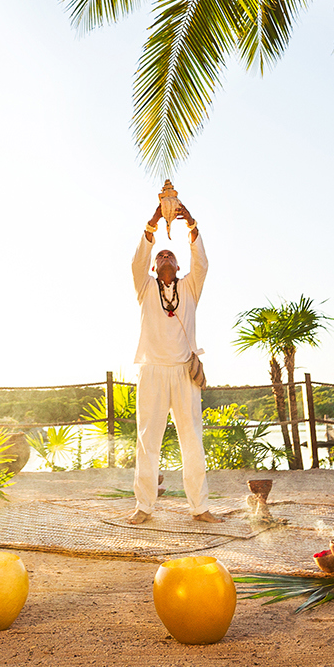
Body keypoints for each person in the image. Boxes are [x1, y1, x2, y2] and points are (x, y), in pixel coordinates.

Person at [126, 200, 222, 524]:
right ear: (154, 268)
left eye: (171, 255)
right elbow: (137, 262)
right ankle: (144, 507)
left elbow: (203, 263)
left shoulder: (190, 287)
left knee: (192, 440)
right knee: (147, 441)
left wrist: (191, 224)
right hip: (152, 371)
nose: (165, 256)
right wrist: (154, 220)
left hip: (183, 372)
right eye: (160, 256)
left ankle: (200, 507)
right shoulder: (145, 288)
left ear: (178, 267)